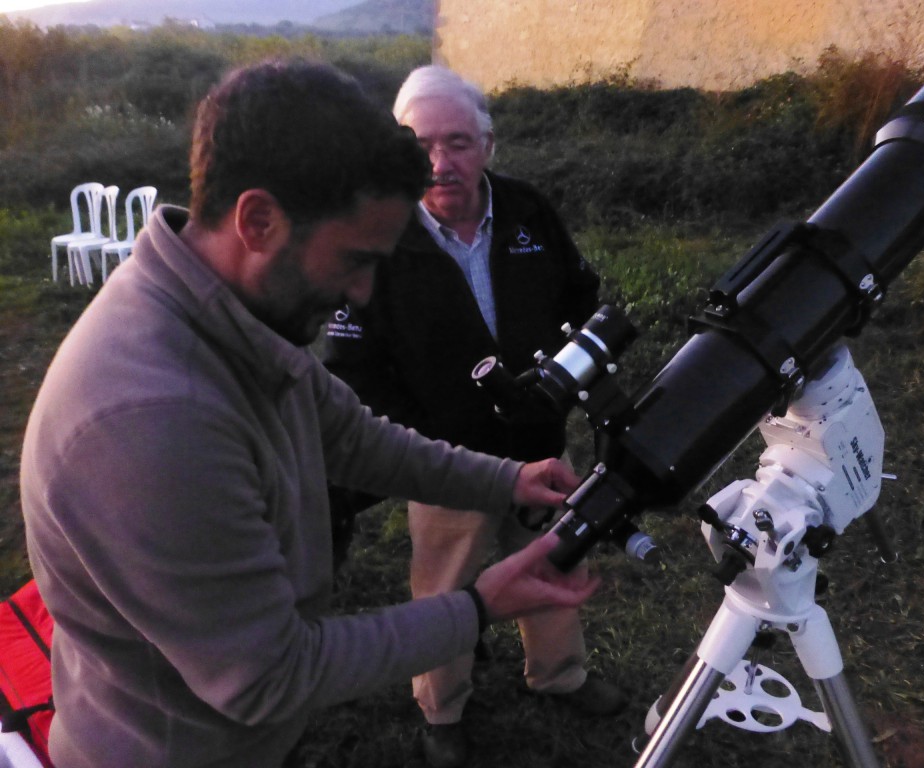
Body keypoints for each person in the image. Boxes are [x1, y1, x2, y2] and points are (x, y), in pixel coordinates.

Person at [19, 60, 602, 768]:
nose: (362, 294)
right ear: (258, 220)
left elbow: (356, 438)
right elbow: (269, 676)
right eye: (355, 260)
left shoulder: (236, 311)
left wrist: (508, 480)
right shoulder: (150, 422)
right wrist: (477, 608)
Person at [322, 65, 624, 768]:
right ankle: (442, 705)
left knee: (555, 557)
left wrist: (568, 374)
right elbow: (354, 366)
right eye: (422, 143)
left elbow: (581, 295)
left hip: (539, 444)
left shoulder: (526, 210)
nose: (440, 161)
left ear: (487, 144)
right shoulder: (381, 230)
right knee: (445, 584)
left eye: (457, 141)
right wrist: (420, 439)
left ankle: (559, 674)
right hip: (442, 460)